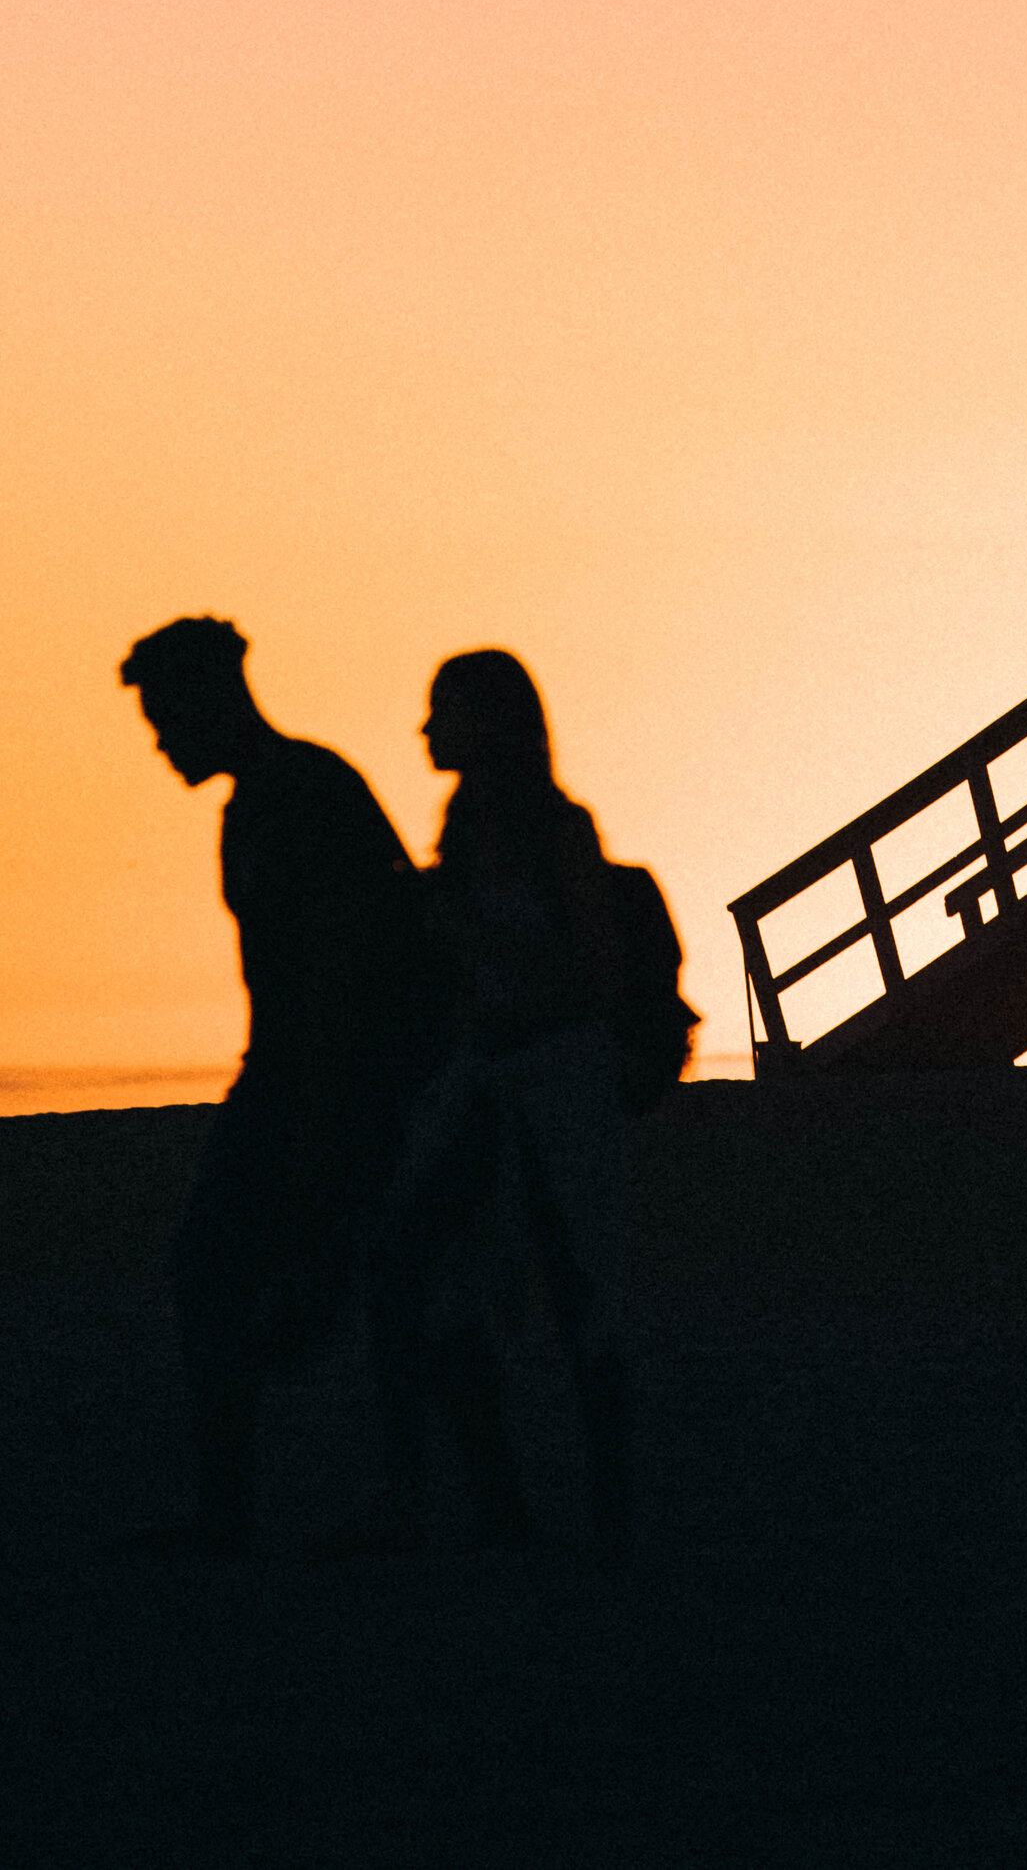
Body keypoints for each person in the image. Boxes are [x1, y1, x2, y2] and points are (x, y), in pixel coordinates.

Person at [119, 617, 429, 1556]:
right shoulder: (262, 802)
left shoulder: (303, 790)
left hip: (336, 1075)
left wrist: (330, 1105)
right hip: (294, 1072)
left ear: (210, 701)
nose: (161, 738)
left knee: (299, 1270)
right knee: (251, 1270)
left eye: (167, 715)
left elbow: (359, 958)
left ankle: (359, 1501)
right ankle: (251, 1501)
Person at [370, 650, 634, 1559]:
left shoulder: (560, 833)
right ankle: (506, 1507)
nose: (425, 730)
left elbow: (592, 975)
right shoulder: (464, 831)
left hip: (552, 1084)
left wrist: (465, 935)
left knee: (574, 1293)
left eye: (442, 710)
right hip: (488, 1083)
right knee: (442, 1277)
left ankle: (598, 1512)